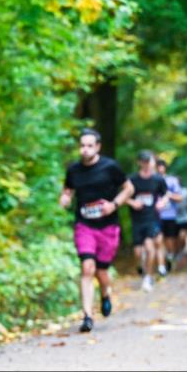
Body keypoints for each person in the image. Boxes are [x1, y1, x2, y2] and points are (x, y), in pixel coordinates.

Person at [60, 128, 134, 332]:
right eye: (82, 145)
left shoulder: (110, 167)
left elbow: (129, 189)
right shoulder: (73, 170)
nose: (85, 150)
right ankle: (87, 316)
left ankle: (105, 293)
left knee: (101, 271)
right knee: (87, 268)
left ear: (98, 147)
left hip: (108, 227)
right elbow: (68, 189)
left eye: (89, 146)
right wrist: (65, 198)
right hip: (84, 225)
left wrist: (114, 204)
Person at [126, 151, 167, 292]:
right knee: (138, 253)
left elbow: (166, 194)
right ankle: (142, 268)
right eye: (144, 162)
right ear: (139, 163)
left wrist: (162, 202)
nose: (147, 164)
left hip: (152, 218)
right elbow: (122, 196)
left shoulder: (158, 180)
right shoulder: (132, 180)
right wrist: (132, 202)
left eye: (149, 162)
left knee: (150, 247)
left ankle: (148, 277)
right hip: (137, 220)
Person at [155, 159, 182, 275]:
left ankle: (170, 256)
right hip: (155, 216)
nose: (160, 168)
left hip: (170, 215)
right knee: (158, 240)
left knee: (169, 240)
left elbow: (180, 198)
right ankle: (161, 265)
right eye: (158, 166)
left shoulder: (172, 181)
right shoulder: (152, 180)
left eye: (162, 166)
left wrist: (168, 195)